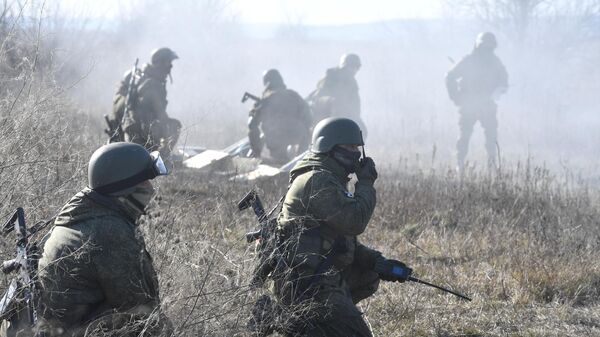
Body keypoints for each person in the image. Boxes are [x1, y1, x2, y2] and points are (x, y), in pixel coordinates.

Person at [249, 117, 412, 337]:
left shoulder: (331, 178)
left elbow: (341, 242)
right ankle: (283, 316)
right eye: (350, 147)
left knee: (370, 273)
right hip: (306, 281)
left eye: (357, 147)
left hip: (320, 273)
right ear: (330, 147)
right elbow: (355, 222)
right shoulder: (318, 180)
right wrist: (365, 183)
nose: (356, 153)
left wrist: (378, 262)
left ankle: (314, 323)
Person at [36, 142, 171, 336]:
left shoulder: (83, 213)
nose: (151, 189)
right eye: (145, 181)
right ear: (125, 187)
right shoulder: (109, 232)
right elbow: (143, 310)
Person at [445, 32, 509, 171]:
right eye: (484, 47)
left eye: (489, 48)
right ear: (478, 46)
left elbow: (504, 80)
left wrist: (499, 90)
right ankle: (460, 165)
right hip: (469, 105)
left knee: (491, 139)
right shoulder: (468, 61)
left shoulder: (495, 62)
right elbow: (449, 77)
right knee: (464, 137)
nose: (487, 51)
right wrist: (457, 98)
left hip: (487, 105)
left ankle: (492, 167)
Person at [111, 47, 181, 158]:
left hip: (132, 130)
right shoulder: (153, 85)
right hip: (141, 132)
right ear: (160, 63)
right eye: (168, 62)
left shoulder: (144, 79)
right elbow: (161, 115)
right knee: (175, 126)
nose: (170, 66)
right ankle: (160, 159)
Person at [248, 69, 312, 163]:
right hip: (297, 139)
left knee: (278, 162)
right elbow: (309, 118)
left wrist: (256, 152)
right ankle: (301, 161)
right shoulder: (294, 96)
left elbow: (251, 124)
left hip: (276, 142)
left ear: (266, 82)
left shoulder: (264, 100)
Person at [306, 53, 366, 135]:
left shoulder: (352, 83)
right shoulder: (331, 77)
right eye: (351, 67)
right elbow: (319, 97)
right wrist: (333, 102)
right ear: (344, 66)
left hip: (344, 115)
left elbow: (355, 103)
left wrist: (355, 117)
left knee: (362, 130)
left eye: (356, 67)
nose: (354, 70)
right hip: (325, 112)